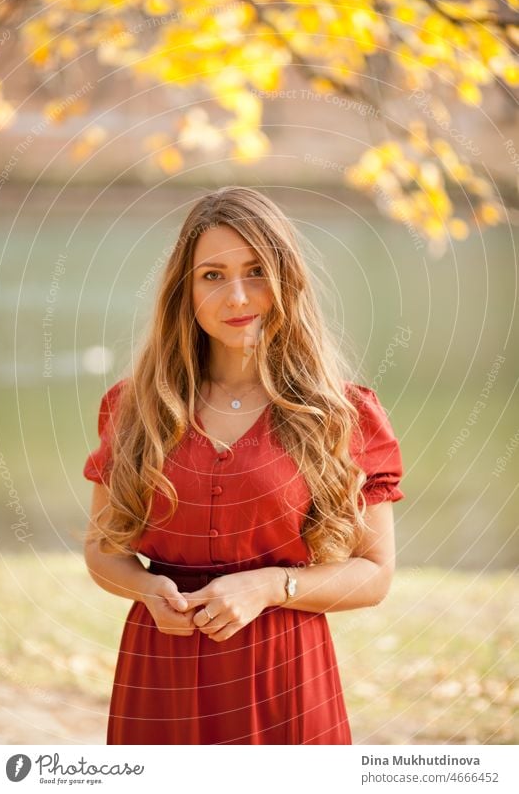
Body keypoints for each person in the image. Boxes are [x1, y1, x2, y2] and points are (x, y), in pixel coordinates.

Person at [82, 185, 405, 745]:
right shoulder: (134, 406)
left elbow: (374, 573)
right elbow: (103, 550)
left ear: (288, 280)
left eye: (256, 271)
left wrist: (271, 586)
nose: (237, 297)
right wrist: (145, 588)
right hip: (160, 676)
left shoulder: (343, 414)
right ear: (185, 291)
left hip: (287, 678)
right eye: (212, 275)